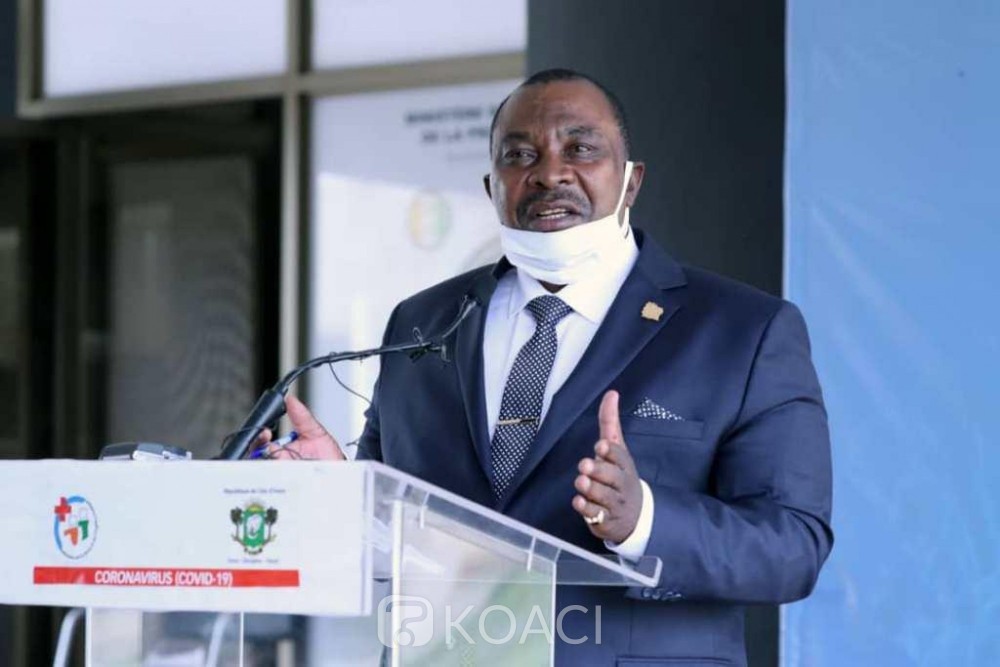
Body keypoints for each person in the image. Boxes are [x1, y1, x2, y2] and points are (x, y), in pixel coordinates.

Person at [262, 68, 833, 666]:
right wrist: (344, 496)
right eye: (519, 155)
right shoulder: (423, 321)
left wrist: (643, 520)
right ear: (492, 187)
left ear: (631, 181)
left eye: (580, 148)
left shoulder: (742, 330)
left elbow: (793, 548)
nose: (550, 173)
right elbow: (397, 527)